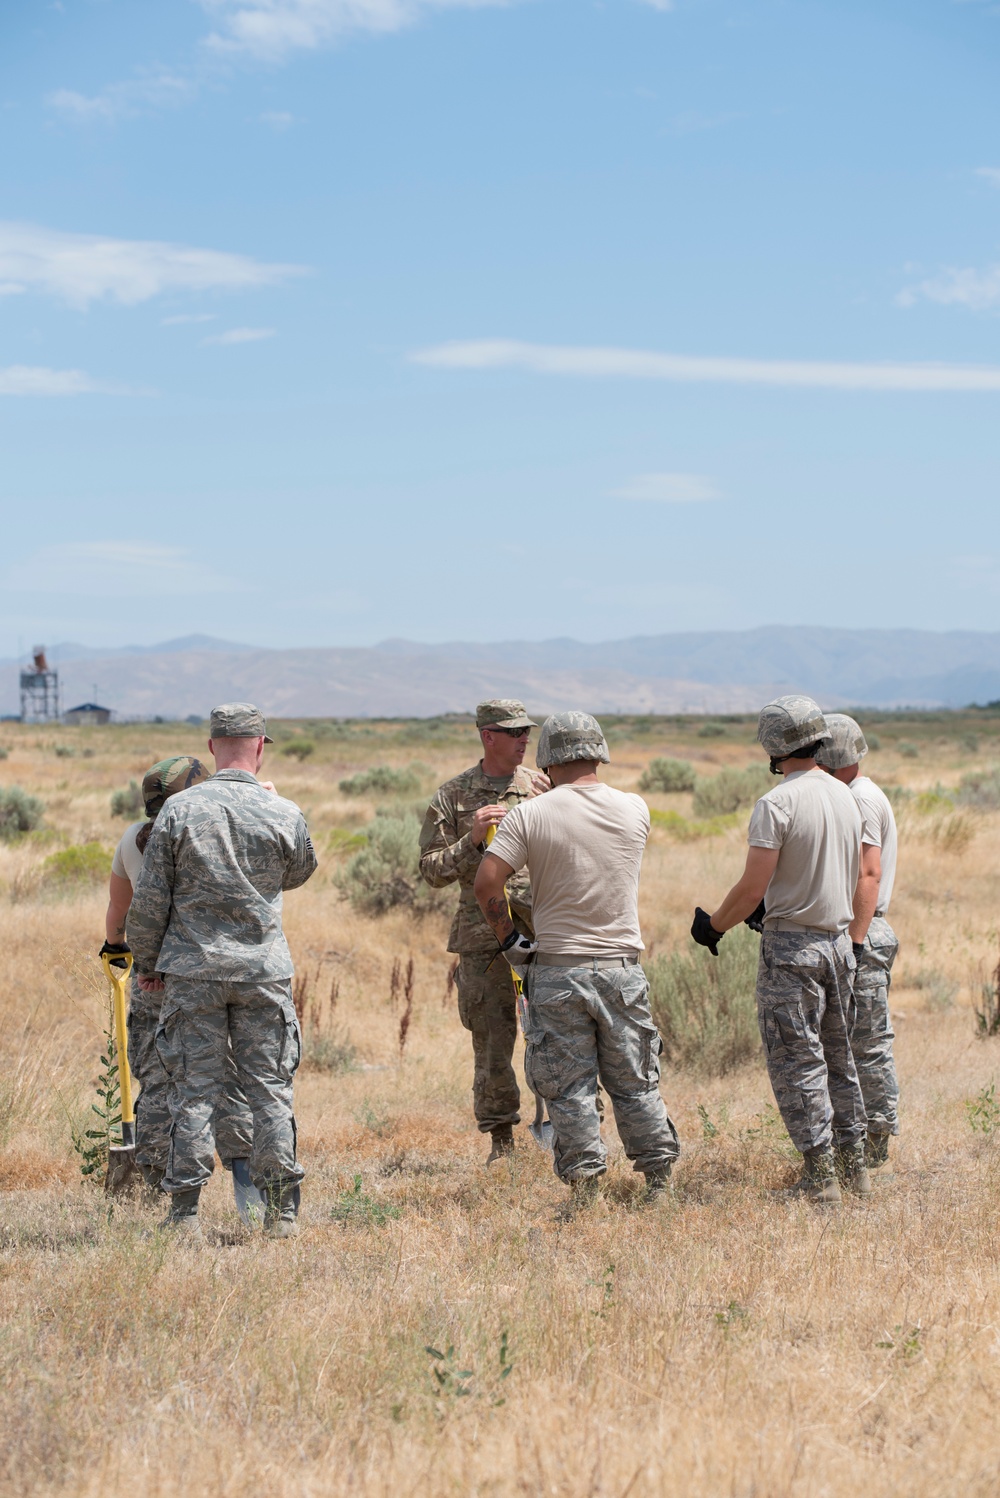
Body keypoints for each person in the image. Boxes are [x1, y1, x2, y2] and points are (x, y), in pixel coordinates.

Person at [474, 711, 680, 1212]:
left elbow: (487, 883)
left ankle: (587, 1193)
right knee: (635, 1079)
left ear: (547, 756)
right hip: (621, 967)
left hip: (559, 969)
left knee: (569, 1088)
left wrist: (509, 941)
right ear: (599, 752)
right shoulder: (635, 808)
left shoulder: (529, 814)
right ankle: (659, 1185)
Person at [127, 703, 317, 1241]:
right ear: (260, 746)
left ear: (213, 747)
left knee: (194, 1092)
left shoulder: (179, 811)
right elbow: (300, 872)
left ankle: (184, 1214)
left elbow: (149, 903)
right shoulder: (283, 810)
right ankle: (281, 1214)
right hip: (262, 973)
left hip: (195, 971)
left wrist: (148, 963)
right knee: (270, 1090)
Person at [691, 694, 868, 1205]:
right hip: (837, 944)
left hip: (792, 951)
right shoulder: (845, 795)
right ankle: (855, 1170)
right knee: (839, 1058)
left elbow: (751, 889)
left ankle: (820, 1180)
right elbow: (852, 875)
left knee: (798, 1063)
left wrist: (713, 927)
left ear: (772, 745)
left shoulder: (777, 803)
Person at [100, 756, 260, 1215]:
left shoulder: (134, 838)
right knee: (227, 1079)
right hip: (211, 973)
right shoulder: (214, 827)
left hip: (153, 978)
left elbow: (119, 913)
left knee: (156, 1079)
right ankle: (248, 1194)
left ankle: (158, 1190)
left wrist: (117, 948)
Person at [419, 700, 549, 1164]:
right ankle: (501, 1142)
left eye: (526, 732)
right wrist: (470, 839)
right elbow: (430, 871)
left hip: (543, 932)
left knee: (559, 1029)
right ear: (486, 735)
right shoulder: (452, 797)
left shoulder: (541, 788)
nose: (523, 740)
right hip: (483, 940)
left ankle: (570, 1126)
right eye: (513, 732)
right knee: (493, 1040)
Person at [816, 714, 900, 1174]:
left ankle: (876, 1141)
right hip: (855, 930)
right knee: (848, 1041)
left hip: (862, 931)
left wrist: (855, 941)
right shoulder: (853, 795)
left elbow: (869, 874)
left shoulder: (861, 799)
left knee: (866, 1043)